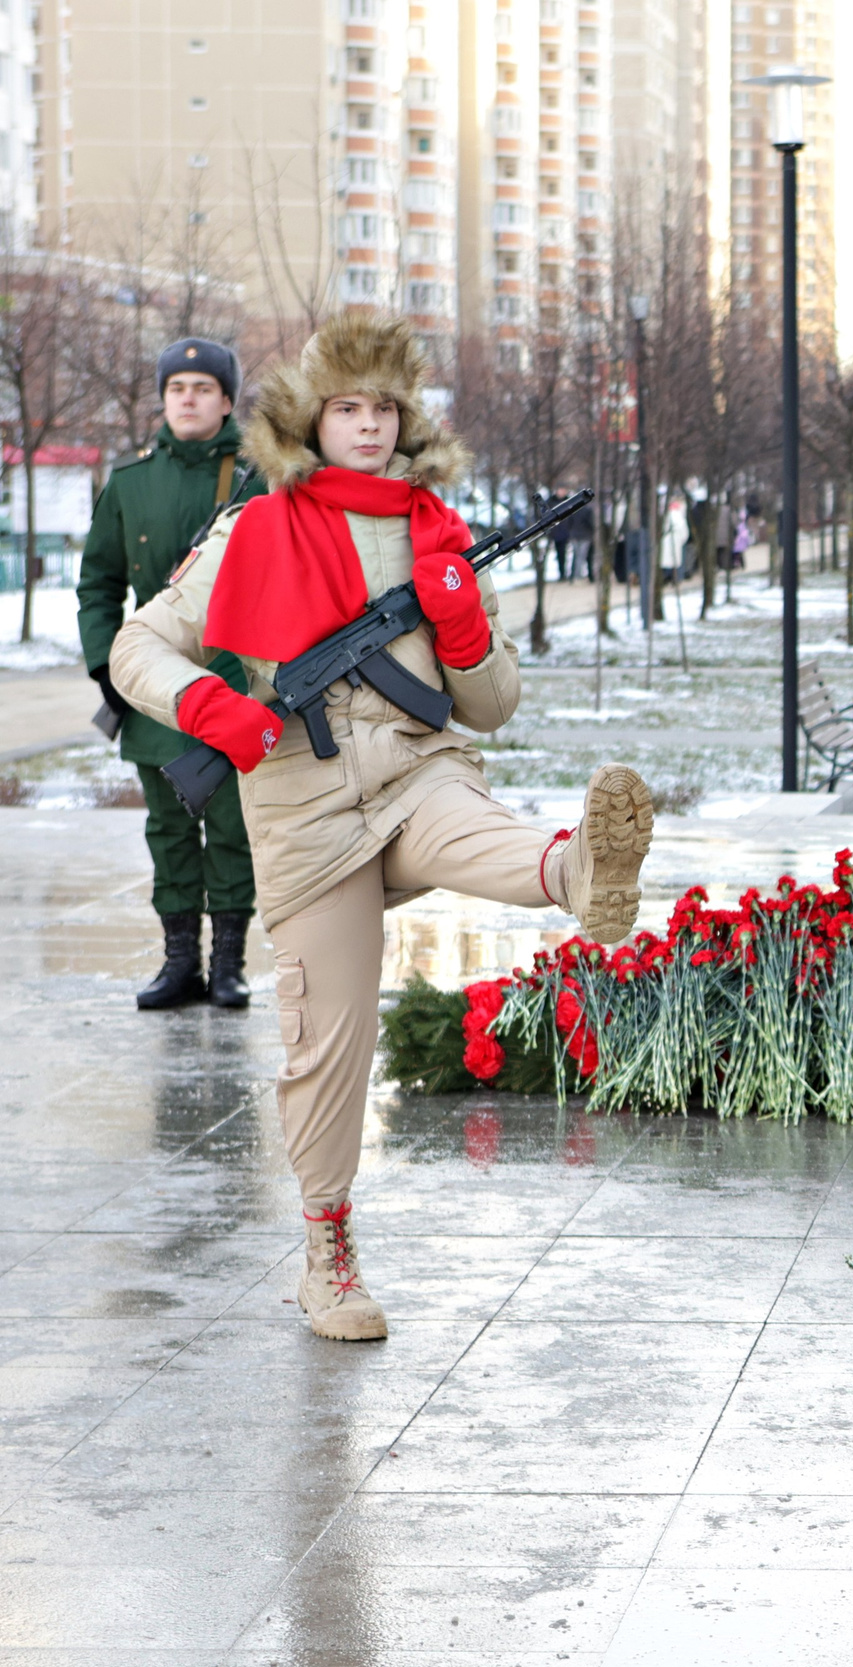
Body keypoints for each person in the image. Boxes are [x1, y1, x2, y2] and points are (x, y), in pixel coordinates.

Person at [110, 309, 655, 1342]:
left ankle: (582, 867)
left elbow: (490, 705)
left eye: (383, 408)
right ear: (312, 420)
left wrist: (461, 618)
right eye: (347, 407)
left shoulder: (436, 532)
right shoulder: (253, 529)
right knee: (331, 1043)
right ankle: (327, 1253)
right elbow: (139, 645)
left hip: (415, 768)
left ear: (405, 420)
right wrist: (215, 710)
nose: (366, 426)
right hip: (301, 803)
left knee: (472, 820)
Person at [78, 339, 267, 1010]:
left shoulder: (259, 478)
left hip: (235, 683)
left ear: (226, 400)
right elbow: (98, 583)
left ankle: (229, 967)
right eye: (177, 387)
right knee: (168, 830)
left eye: (202, 387)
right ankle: (179, 962)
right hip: (154, 690)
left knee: (235, 829)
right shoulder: (129, 484)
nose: (187, 398)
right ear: (163, 399)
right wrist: (108, 668)